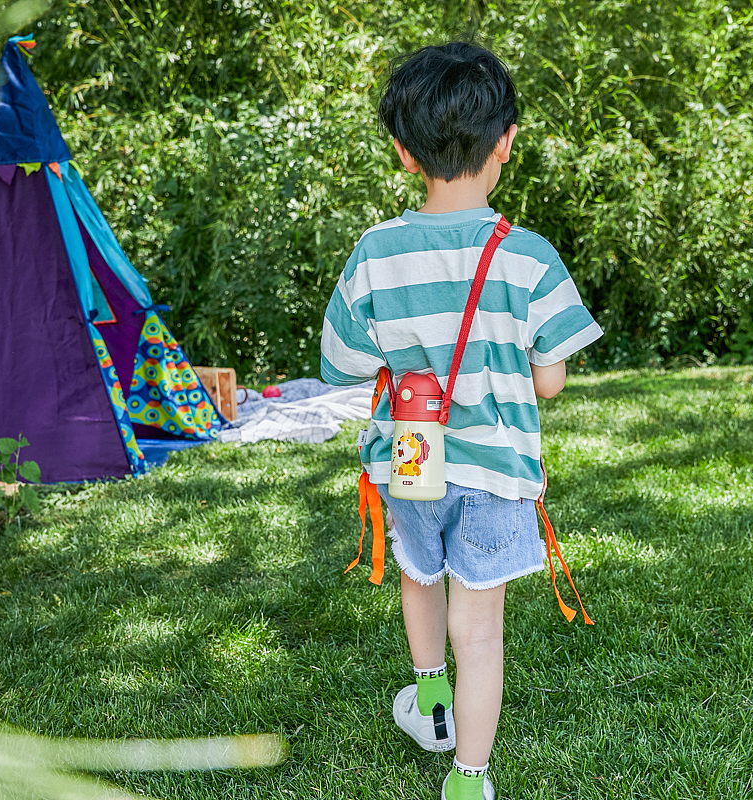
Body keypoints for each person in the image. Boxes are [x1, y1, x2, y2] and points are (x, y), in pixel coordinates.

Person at [320, 40, 602, 800]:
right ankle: (469, 779)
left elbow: (342, 364)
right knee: (480, 629)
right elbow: (550, 383)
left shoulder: (375, 254)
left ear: (404, 152)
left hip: (411, 459)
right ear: (506, 142)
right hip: (495, 469)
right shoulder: (531, 258)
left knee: (420, 575)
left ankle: (429, 702)